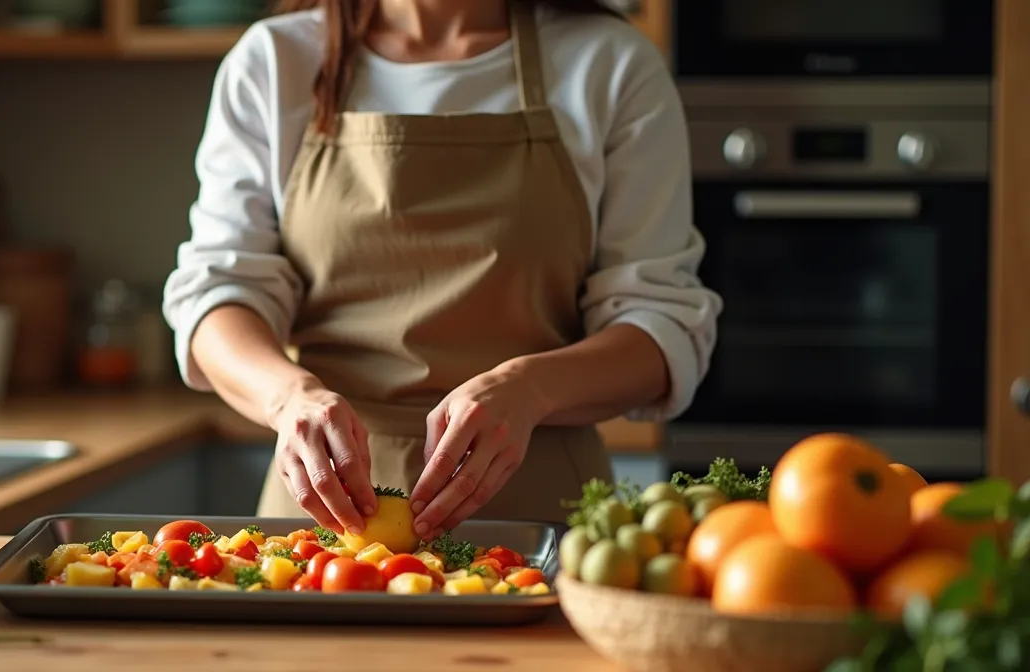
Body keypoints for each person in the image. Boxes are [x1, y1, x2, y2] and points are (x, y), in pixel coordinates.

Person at [163, 0, 722, 542]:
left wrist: (530, 389)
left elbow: (661, 327)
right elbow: (218, 294)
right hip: (321, 531)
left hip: (543, 521)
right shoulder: (274, 62)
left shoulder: (609, 63)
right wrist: (290, 398)